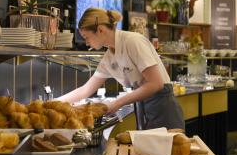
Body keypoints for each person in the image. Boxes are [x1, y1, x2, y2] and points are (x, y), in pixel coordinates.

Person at [57, 7, 185, 130]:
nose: (86, 43)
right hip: (142, 106)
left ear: (100, 30)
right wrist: (53, 103)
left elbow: (156, 84)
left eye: (86, 37)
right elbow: (85, 90)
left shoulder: (133, 41)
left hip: (162, 106)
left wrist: (117, 103)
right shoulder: (109, 56)